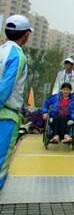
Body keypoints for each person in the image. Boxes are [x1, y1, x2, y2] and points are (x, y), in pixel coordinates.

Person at [0, 15, 32, 191]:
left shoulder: (1, 51)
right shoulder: (18, 56)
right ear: (26, 34)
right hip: (6, 116)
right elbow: (6, 88)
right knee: (1, 163)